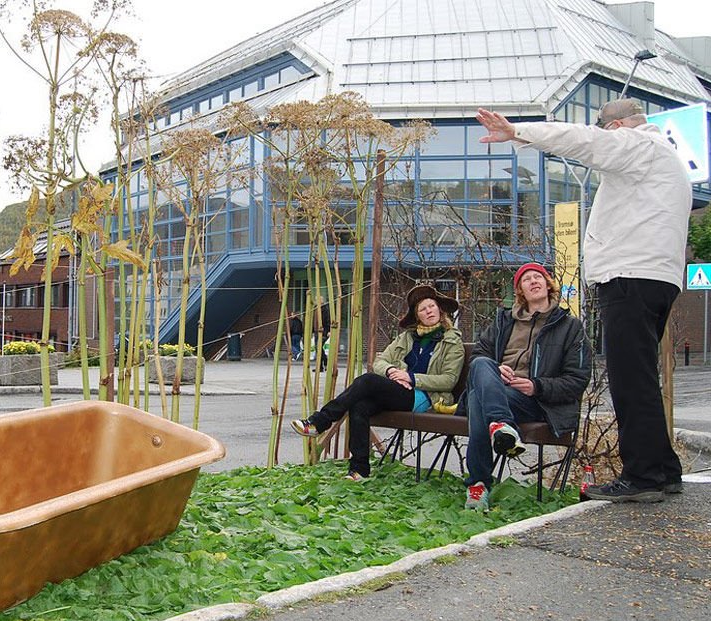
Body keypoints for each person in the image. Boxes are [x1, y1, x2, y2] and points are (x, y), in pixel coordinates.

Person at [476, 101, 691, 503]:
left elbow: (585, 141)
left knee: (630, 379)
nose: (606, 136)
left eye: (608, 130)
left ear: (619, 125)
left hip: (629, 276)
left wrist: (520, 131)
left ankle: (642, 477)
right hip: (658, 277)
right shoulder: (667, 162)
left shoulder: (637, 146)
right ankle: (662, 469)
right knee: (641, 377)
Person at [291, 284, 464, 481]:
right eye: (423, 309)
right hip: (400, 391)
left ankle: (319, 422)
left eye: (431, 306)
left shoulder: (451, 340)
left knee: (368, 381)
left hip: (426, 396)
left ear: (440, 309)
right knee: (359, 405)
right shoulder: (407, 337)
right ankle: (359, 470)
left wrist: (411, 378)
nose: (429, 311)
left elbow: (449, 380)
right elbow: (379, 362)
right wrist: (392, 371)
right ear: (418, 316)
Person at [461, 263, 590, 510]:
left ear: (547, 284)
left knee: (478, 398)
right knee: (483, 366)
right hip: (498, 391)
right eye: (526, 279)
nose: (533, 281)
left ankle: (478, 485)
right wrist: (496, 369)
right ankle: (501, 425)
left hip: (536, 402)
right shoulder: (503, 322)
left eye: (538, 276)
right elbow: (478, 356)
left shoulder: (570, 327)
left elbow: (577, 379)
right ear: (520, 290)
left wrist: (535, 386)